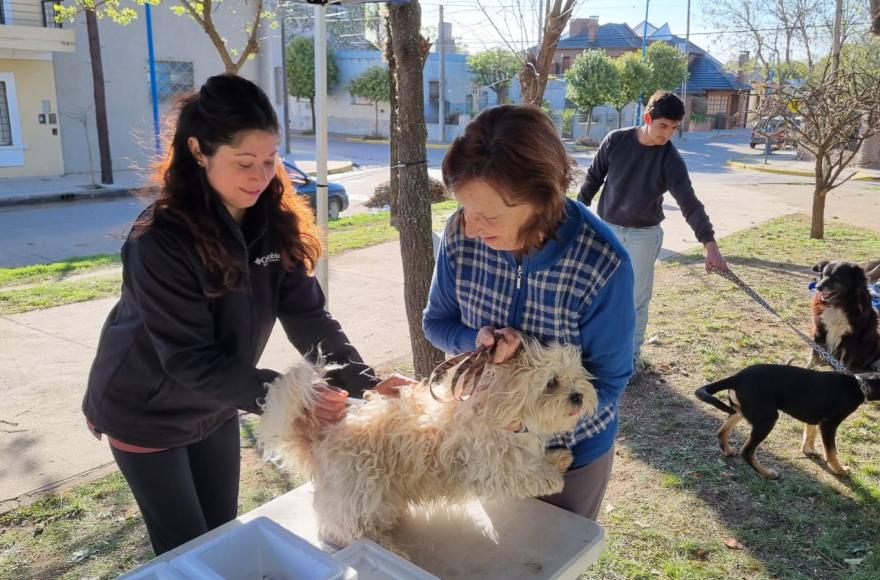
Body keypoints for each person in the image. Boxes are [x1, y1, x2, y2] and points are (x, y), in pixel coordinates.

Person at [82, 74, 408, 556]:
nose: (260, 177)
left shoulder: (274, 223)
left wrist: (365, 379)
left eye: (270, 160)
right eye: (244, 163)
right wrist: (289, 396)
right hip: (145, 410)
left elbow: (309, 318)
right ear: (198, 151)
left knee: (223, 535)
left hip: (217, 405)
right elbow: (188, 360)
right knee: (187, 551)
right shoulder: (159, 240)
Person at [422, 104, 636, 520]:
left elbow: (608, 384)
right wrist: (477, 340)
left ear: (542, 199)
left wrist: (526, 425)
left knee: (550, 561)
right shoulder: (459, 235)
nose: (470, 228)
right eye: (465, 208)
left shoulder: (602, 263)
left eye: (488, 215)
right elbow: (436, 323)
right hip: (483, 442)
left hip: (568, 455)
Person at [578, 90, 728, 366]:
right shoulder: (616, 141)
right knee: (598, 295)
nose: (668, 134)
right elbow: (593, 179)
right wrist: (574, 216)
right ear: (647, 117)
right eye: (663, 126)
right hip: (607, 230)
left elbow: (689, 203)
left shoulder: (669, 159)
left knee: (635, 302)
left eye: (674, 128)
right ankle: (598, 355)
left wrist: (711, 246)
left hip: (643, 237)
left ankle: (628, 361)